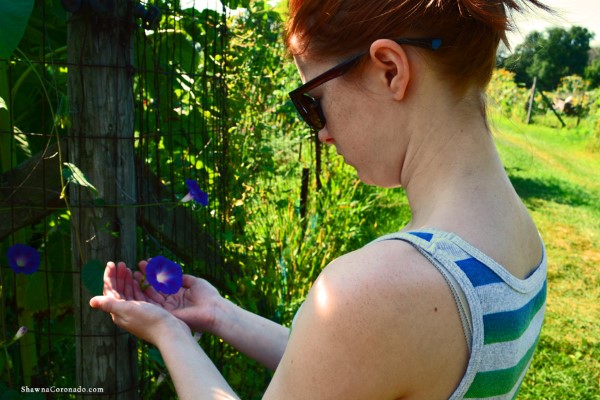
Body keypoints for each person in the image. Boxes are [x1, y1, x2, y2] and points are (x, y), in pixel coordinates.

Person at [90, 0, 550, 398]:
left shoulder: (378, 289)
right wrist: (219, 315)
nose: (322, 133)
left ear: (391, 69)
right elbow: (359, 364)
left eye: (313, 102)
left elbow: (364, 336)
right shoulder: (514, 236)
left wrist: (170, 335)